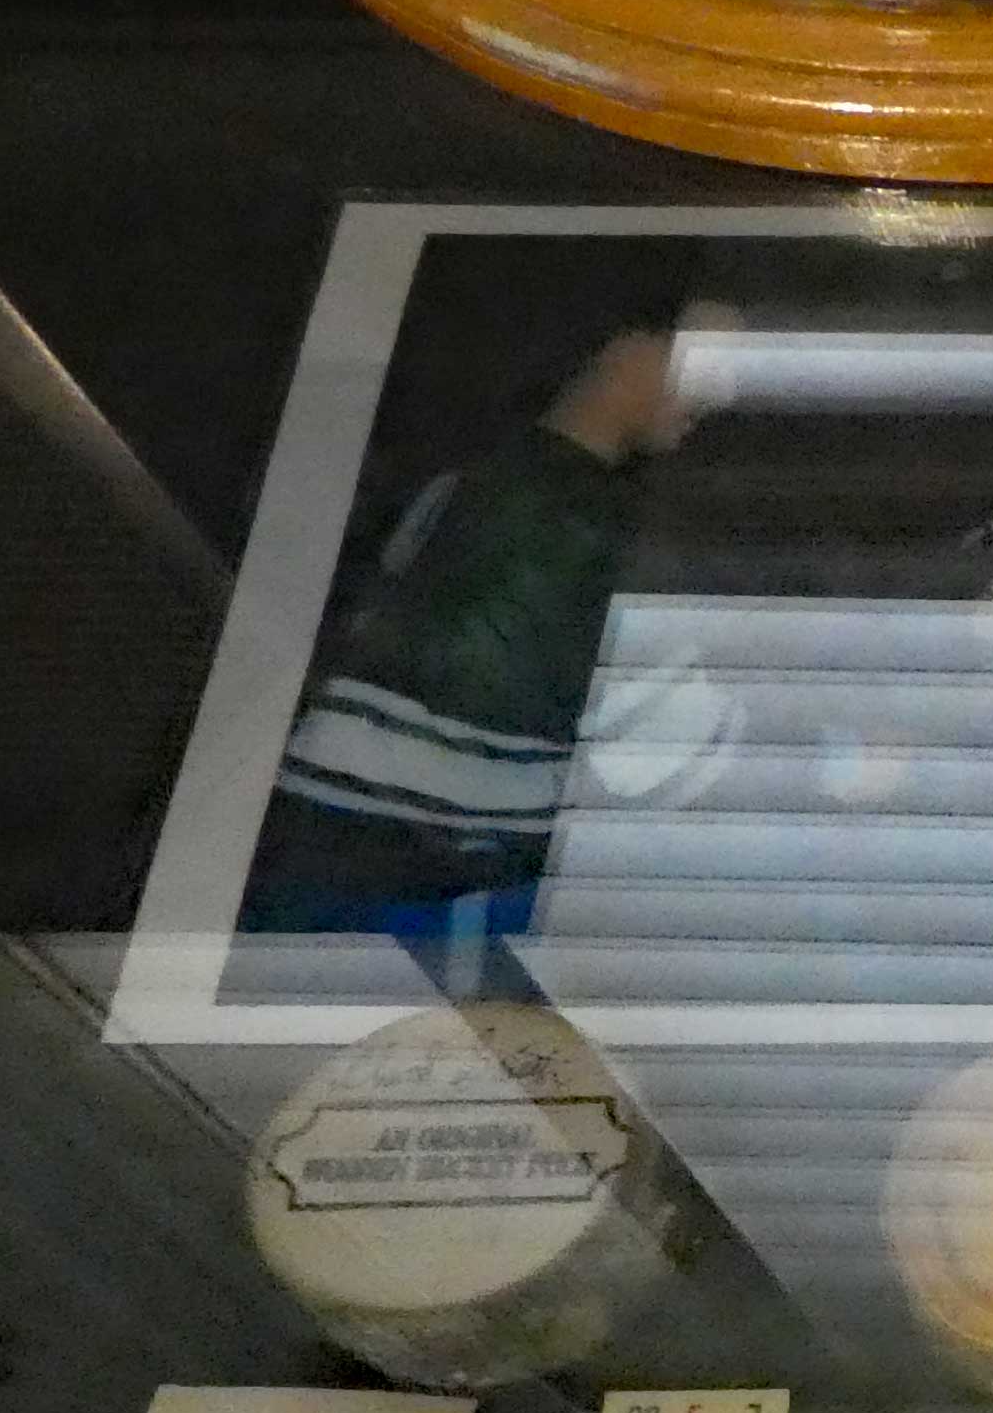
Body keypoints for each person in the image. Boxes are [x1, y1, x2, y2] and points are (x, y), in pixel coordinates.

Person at [248, 296, 726, 968]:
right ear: (625, 348)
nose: (718, 388)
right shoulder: (597, 530)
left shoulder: (456, 480)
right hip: (437, 874)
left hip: (314, 836)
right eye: (704, 356)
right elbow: (664, 749)